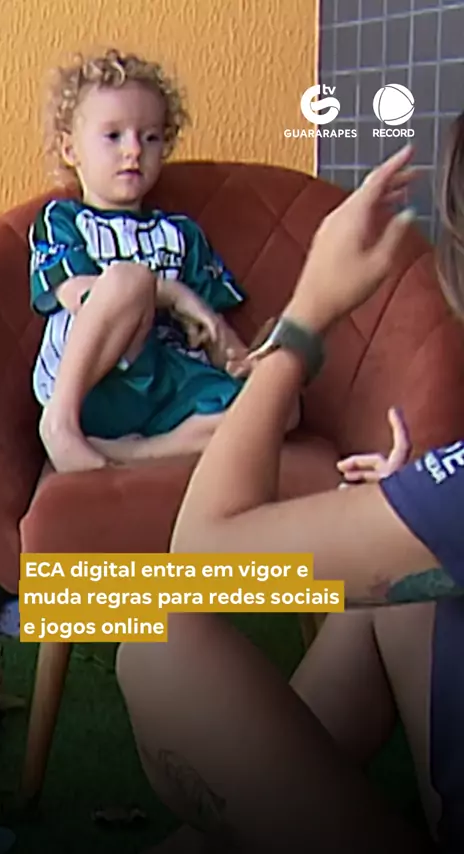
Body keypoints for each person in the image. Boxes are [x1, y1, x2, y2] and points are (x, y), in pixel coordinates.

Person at [115, 139, 464, 854]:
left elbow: (198, 560)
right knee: (403, 600)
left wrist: (306, 318)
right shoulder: (70, 240)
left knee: (150, 630)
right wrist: (408, 503)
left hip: (189, 494)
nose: (134, 154)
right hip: (118, 451)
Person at [30, 49, 292, 474]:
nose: (134, 150)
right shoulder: (62, 220)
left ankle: (130, 453)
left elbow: (210, 329)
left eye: (150, 137)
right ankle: (59, 426)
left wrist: (245, 361)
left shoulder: (182, 235)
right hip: (92, 384)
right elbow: (79, 295)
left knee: (280, 407)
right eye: (113, 136)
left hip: (166, 386)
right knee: (129, 280)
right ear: (70, 149)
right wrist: (171, 292)